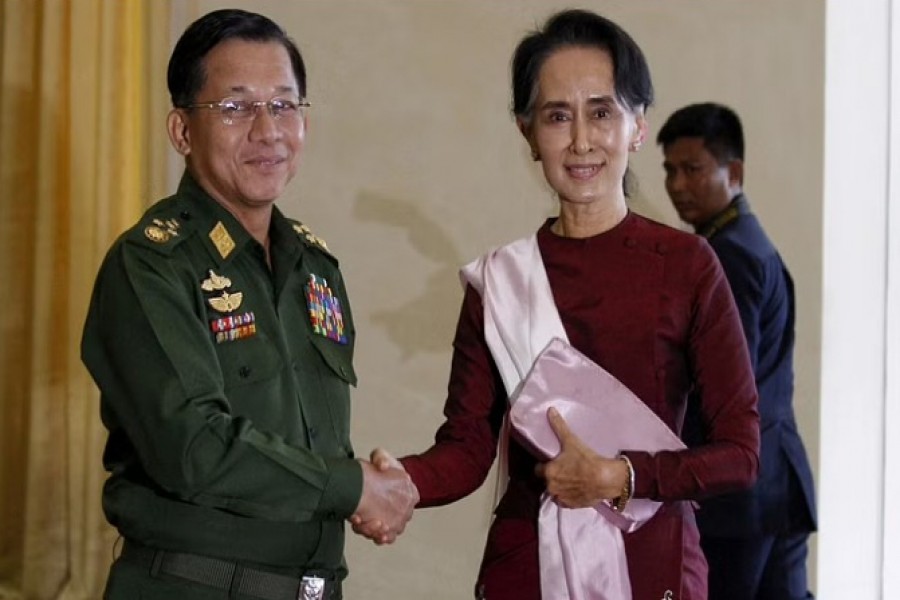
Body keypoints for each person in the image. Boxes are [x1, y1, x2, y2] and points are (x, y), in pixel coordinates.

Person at [353, 10, 760, 600]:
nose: (580, 141)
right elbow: (467, 449)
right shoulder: (499, 283)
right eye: (556, 116)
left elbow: (740, 455)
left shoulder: (688, 266)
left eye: (601, 112)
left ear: (637, 125)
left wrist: (620, 476)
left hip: (651, 563)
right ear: (527, 132)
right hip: (527, 567)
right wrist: (402, 481)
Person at [80, 9, 417, 600]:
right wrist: (351, 486)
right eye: (235, 108)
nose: (268, 130)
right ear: (182, 131)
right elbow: (194, 448)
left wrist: (368, 482)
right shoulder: (151, 264)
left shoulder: (316, 265)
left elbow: (302, 441)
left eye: (285, 105)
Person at [657, 102, 817, 600]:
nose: (678, 185)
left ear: (735, 171)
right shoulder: (749, 241)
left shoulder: (727, 254)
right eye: (669, 171)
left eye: (693, 169)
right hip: (776, 483)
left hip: (738, 498)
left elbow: (726, 384)